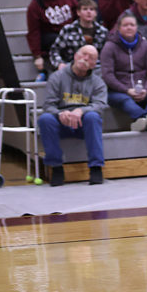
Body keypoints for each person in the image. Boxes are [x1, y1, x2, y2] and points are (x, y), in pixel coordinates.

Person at [38, 45, 107, 186]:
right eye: (83, 54)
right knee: (45, 119)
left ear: (94, 64)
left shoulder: (98, 82)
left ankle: (96, 168)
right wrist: (60, 113)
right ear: (75, 56)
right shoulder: (57, 77)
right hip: (61, 122)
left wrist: (81, 111)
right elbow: (48, 105)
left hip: (83, 124)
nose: (85, 58)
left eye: (91, 58)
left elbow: (100, 105)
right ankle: (56, 167)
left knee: (93, 117)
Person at [100, 10, 147, 131]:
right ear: (119, 28)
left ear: (136, 27)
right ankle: (145, 119)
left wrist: (146, 89)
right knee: (125, 100)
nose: (129, 27)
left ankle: (145, 122)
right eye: (125, 25)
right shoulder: (109, 46)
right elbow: (108, 75)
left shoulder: (145, 45)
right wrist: (127, 90)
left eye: (132, 25)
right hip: (119, 90)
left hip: (143, 87)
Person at [26, 0, 78, 81]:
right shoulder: (34, 6)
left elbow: (78, 15)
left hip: (71, 33)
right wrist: (37, 56)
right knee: (56, 39)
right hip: (52, 38)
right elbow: (34, 32)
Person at [48, 0, 108, 70]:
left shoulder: (103, 32)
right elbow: (55, 50)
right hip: (71, 68)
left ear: (96, 13)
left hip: (96, 68)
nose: (89, 12)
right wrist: (59, 63)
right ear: (78, 12)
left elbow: (107, 54)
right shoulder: (68, 29)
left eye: (92, 9)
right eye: (85, 9)